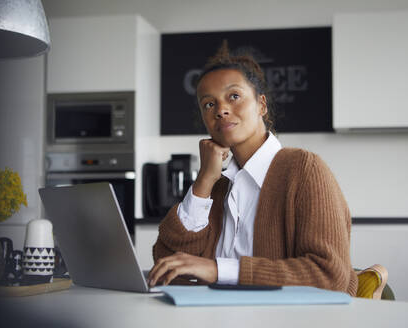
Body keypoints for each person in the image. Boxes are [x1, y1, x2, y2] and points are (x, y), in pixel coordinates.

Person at [148, 41, 358, 296]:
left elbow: (328, 275)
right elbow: (166, 263)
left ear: (261, 105)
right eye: (208, 104)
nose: (221, 110)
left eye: (234, 96)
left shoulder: (303, 169)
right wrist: (203, 181)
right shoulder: (217, 183)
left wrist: (218, 270)